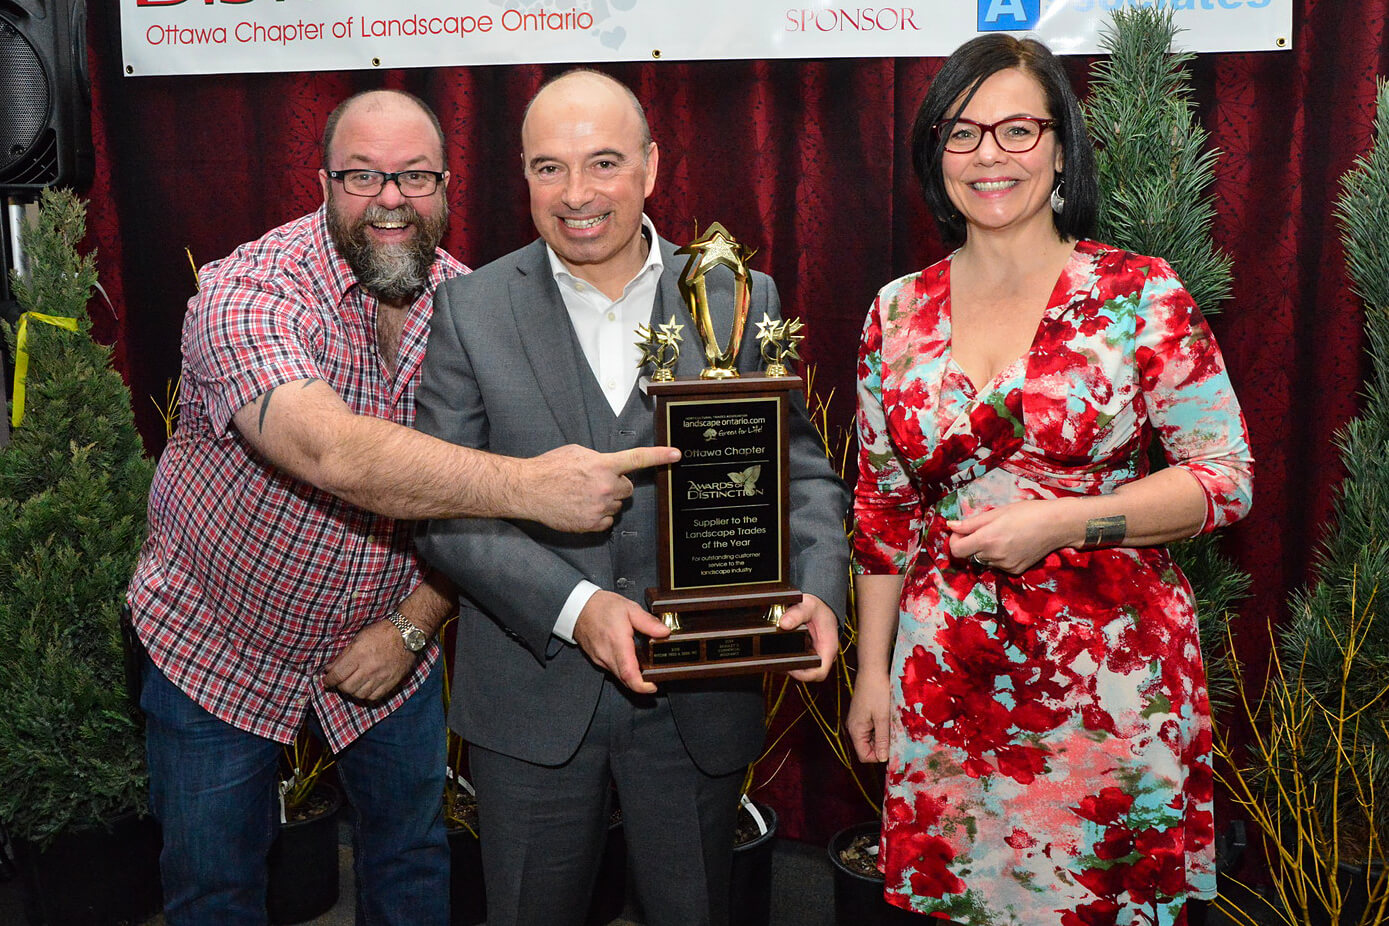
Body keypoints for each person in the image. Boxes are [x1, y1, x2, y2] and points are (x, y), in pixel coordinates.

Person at [126, 89, 675, 926]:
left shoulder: (472, 304)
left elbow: (465, 518)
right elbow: (329, 452)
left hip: (390, 645)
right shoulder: (247, 291)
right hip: (218, 645)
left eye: (414, 176)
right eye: (362, 176)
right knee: (213, 885)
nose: (389, 199)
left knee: (412, 862)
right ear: (321, 184)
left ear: (449, 186)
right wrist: (531, 485)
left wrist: (416, 623)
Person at [414, 69, 849, 926]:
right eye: (548, 168)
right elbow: (443, 509)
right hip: (531, 702)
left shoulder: (735, 296)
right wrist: (577, 609)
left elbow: (798, 476)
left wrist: (818, 587)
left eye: (602, 162)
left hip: (701, 701)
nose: (575, 194)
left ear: (651, 167)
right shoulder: (469, 310)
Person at [845, 35, 1253, 926]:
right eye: (962, 132)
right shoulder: (894, 309)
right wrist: (869, 673)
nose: (988, 154)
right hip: (944, 675)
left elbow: (1223, 480)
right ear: (934, 154)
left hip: (1108, 685)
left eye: (1017, 129)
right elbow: (880, 507)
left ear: (1062, 147)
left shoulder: (1139, 294)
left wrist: (1069, 522)